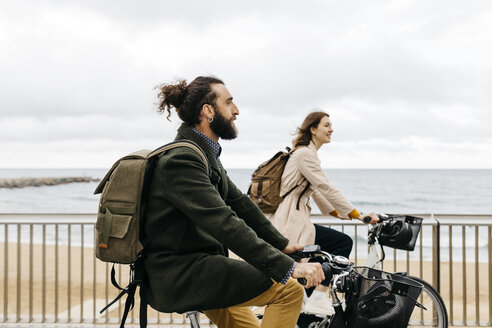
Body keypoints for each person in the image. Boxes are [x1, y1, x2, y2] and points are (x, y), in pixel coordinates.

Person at [142, 76, 325, 328]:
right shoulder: (182, 159)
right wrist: (287, 267)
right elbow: (223, 221)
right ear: (208, 111)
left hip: (201, 267)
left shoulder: (205, 155)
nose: (236, 111)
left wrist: (281, 245)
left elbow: (240, 204)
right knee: (289, 291)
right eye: (229, 103)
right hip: (181, 273)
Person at [269, 111, 379, 315]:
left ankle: (308, 305)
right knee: (341, 243)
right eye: (326, 125)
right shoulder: (304, 154)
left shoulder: (306, 154)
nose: (331, 129)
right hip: (291, 219)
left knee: (310, 264)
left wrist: (341, 214)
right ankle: (318, 297)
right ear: (313, 129)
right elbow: (326, 186)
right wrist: (357, 214)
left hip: (295, 218)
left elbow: (318, 194)